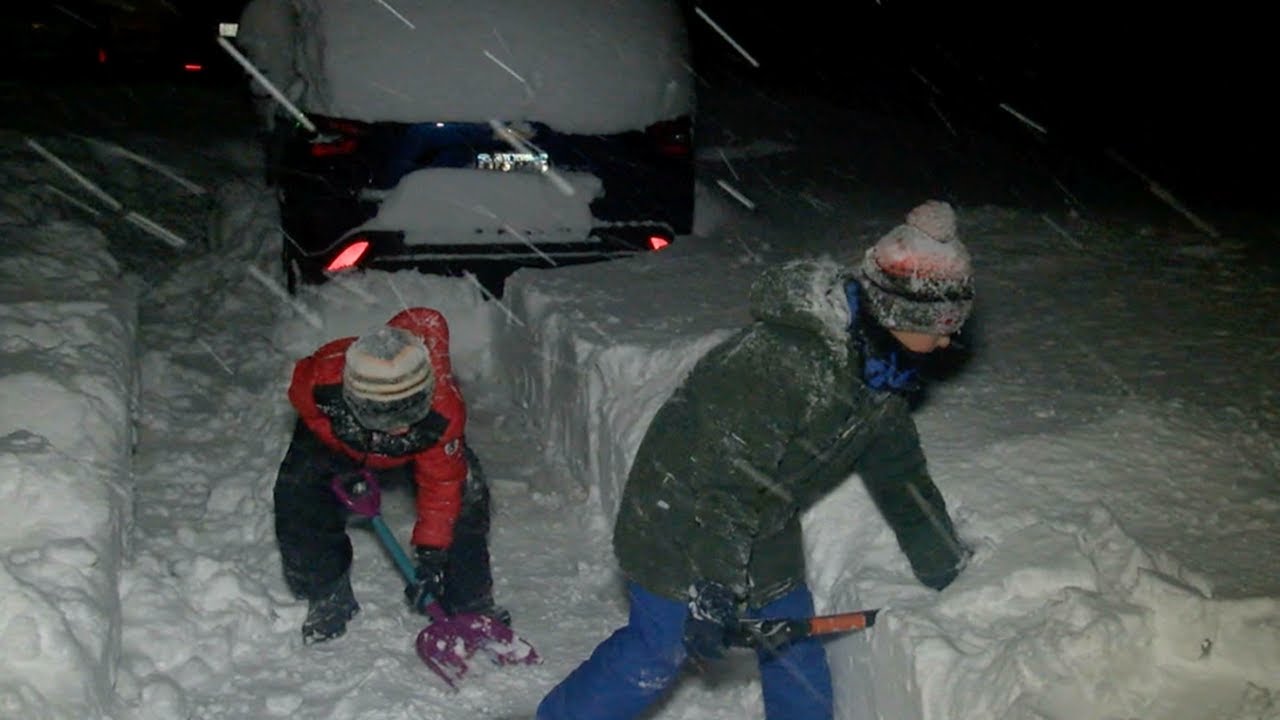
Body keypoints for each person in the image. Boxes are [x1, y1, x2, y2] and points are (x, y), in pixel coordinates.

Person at [536, 200, 976, 720]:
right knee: (659, 647)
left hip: (763, 516)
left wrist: (948, 569)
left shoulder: (881, 377)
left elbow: (900, 474)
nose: (949, 337)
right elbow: (729, 482)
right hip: (679, 512)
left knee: (791, 639)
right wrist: (715, 586)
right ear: (899, 313)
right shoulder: (784, 362)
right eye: (941, 324)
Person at [273, 307, 507, 644]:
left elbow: (442, 487)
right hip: (338, 438)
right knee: (298, 497)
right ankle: (327, 593)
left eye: (410, 412)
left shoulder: (441, 415)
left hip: (422, 445)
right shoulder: (319, 385)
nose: (399, 428)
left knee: (464, 500)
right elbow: (310, 418)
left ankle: (470, 603)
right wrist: (341, 452)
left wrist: (431, 555)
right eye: (385, 417)